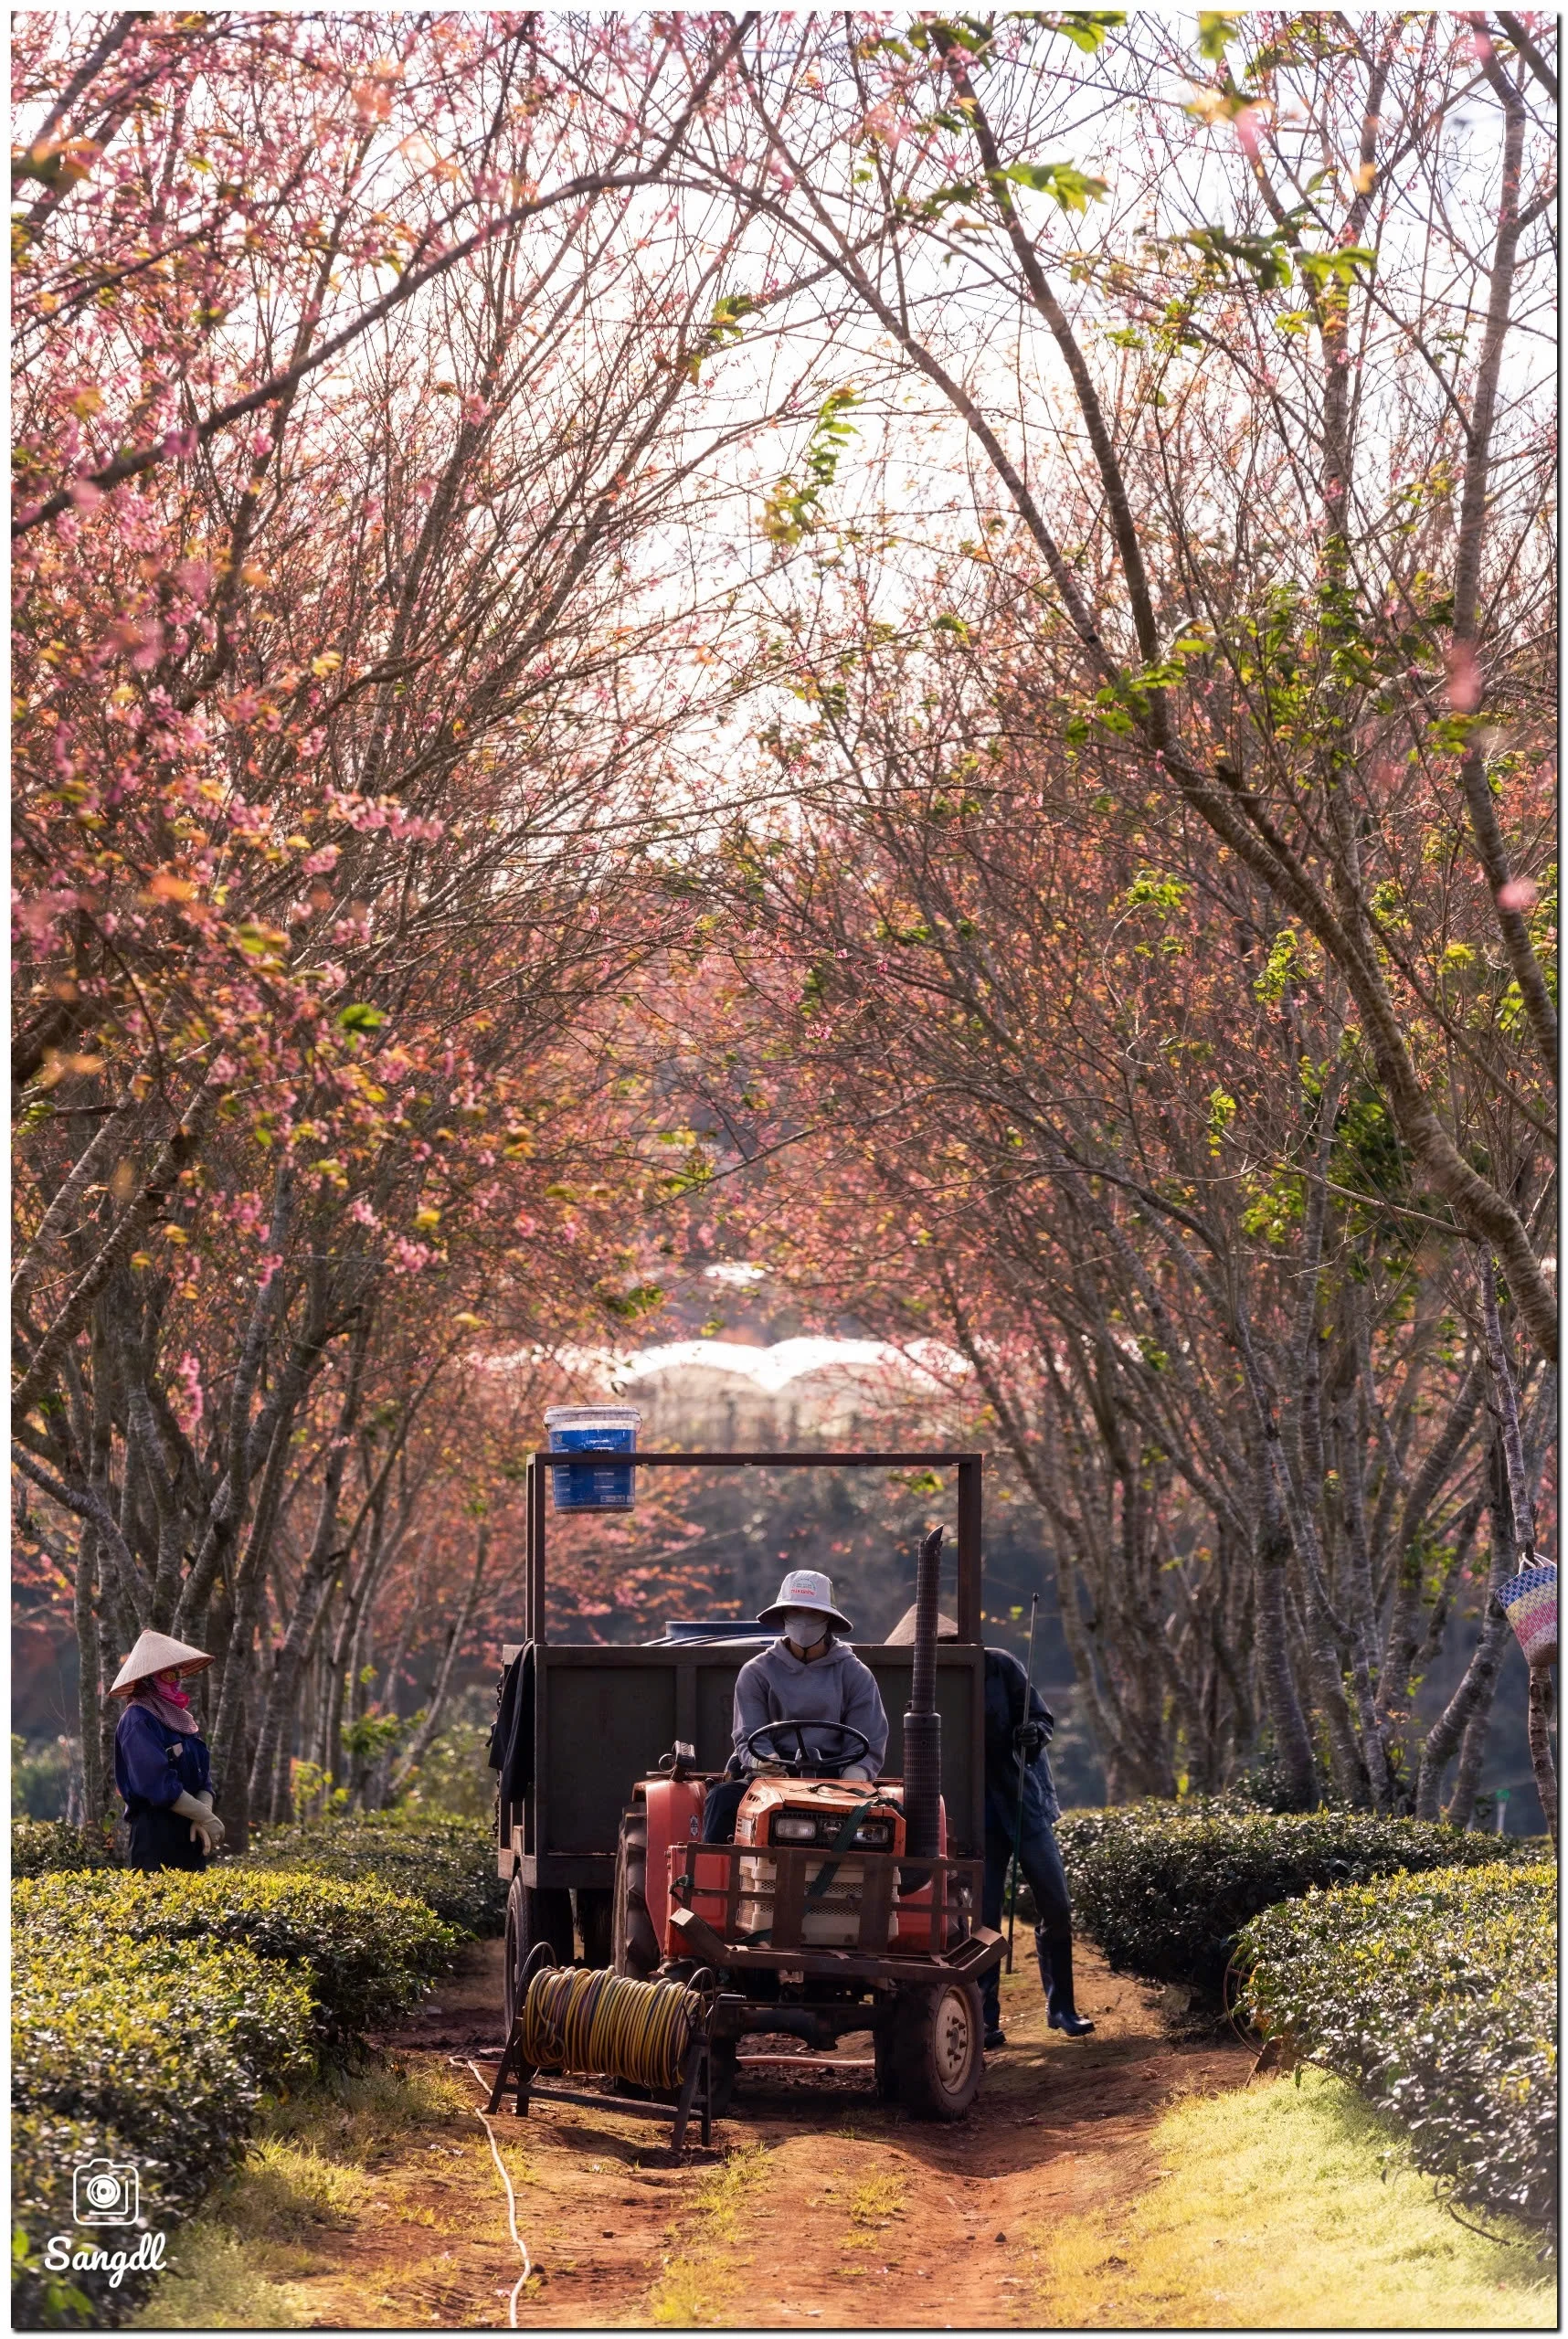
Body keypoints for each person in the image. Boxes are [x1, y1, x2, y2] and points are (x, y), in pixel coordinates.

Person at [886, 1604, 1093, 2048]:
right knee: (983, 1920)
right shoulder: (916, 1688)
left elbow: (1041, 1718)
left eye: (945, 1646)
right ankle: (986, 2018)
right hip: (972, 1816)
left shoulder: (998, 1665)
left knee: (1055, 1903)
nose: (938, 1654)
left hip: (1021, 1802)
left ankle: (1062, 2008)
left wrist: (1033, 1734)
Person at [702, 1570, 889, 1842]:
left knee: (888, 1820)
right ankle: (713, 1882)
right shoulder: (757, 1672)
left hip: (837, 1778)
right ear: (783, 1618)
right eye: (795, 1612)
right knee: (722, 1800)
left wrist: (853, 1780)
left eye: (812, 1614)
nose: (803, 1621)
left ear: (828, 1620)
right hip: (771, 1776)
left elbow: (868, 1739)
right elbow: (749, 1733)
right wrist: (765, 1762)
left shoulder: (855, 1674)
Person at [108, 1629, 225, 1871]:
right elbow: (156, 1784)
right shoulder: (138, 1720)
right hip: (155, 1837)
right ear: (149, 1679)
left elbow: (203, 1777)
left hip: (192, 1832)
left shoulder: (181, 1719)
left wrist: (201, 1816)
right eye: (170, 1675)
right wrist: (205, 1817)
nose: (178, 1679)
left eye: (179, 1672)